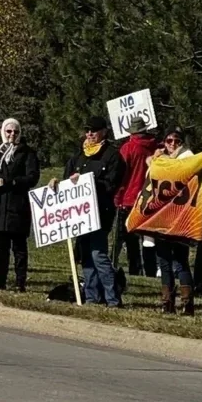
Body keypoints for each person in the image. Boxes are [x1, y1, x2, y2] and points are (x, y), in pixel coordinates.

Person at [56, 116, 124, 307]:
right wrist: (58, 183)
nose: (89, 134)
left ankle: (113, 299)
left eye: (93, 130)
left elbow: (112, 184)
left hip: (100, 212)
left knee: (98, 255)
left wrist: (89, 180)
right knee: (85, 255)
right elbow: (67, 179)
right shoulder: (80, 155)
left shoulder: (112, 155)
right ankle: (92, 297)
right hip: (80, 214)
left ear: (104, 132)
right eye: (87, 130)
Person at [150, 128, 202, 316]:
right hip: (162, 217)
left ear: (182, 143)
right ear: (164, 142)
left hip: (181, 217)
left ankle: (187, 303)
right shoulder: (159, 160)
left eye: (177, 141)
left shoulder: (189, 158)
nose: (172, 144)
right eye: (169, 140)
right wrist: (154, 160)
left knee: (181, 261)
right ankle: (167, 302)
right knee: (164, 261)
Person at [0, 118, 39, 292]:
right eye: (9, 131)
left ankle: (20, 283)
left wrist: (9, 182)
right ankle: (1, 281)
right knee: (1, 247)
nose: (12, 134)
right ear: (3, 132)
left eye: (16, 132)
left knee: (19, 248)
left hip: (18, 206)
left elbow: (32, 177)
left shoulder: (27, 153)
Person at [113, 117, 160, 277]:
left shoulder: (128, 148)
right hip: (151, 197)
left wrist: (118, 197)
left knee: (130, 238)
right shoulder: (156, 147)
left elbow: (121, 175)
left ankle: (135, 270)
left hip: (129, 198)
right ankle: (151, 271)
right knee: (149, 238)